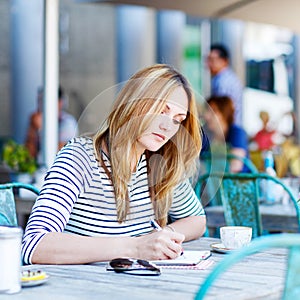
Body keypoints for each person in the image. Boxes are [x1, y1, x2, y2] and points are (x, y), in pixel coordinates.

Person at [21, 64, 207, 265]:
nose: (167, 126)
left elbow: (197, 220)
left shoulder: (162, 163)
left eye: (178, 120)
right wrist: (136, 247)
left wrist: (162, 237)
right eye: (162, 111)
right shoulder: (79, 157)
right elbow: (34, 245)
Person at [25, 86, 78, 163]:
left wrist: (41, 129)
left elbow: (58, 155)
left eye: (47, 101)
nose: (42, 105)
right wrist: (33, 129)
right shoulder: (36, 120)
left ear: (60, 102)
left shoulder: (68, 123)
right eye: (40, 101)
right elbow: (28, 157)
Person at [204, 96, 249, 173]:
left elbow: (236, 166)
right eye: (207, 111)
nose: (206, 116)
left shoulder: (237, 132)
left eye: (213, 111)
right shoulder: (206, 135)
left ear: (224, 113)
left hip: (240, 182)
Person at [207, 44, 243, 126]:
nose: (209, 64)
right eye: (208, 60)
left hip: (228, 128)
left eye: (212, 60)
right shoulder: (225, 77)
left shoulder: (223, 81)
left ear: (224, 61)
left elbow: (221, 110)